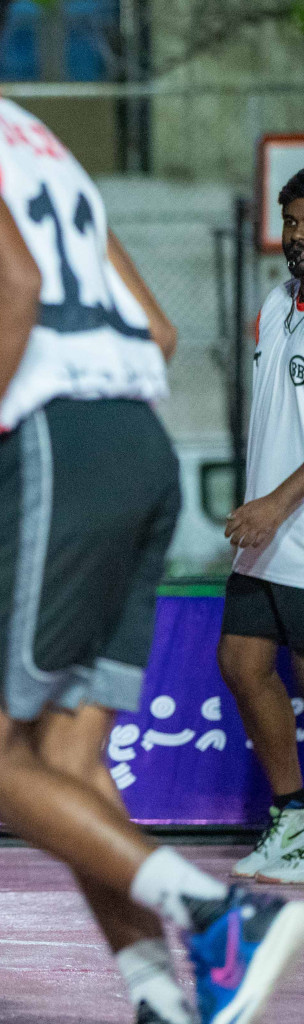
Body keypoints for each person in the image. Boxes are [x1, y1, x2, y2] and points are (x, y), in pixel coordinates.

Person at [0, 4, 303, 1024]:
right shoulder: (39, 140)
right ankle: (159, 990)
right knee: (68, 765)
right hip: (134, 445)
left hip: (59, 443)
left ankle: (213, 909)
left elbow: (16, 283)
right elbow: (152, 325)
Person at [220, 167, 304, 887]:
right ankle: (293, 819)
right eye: (293, 223)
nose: (298, 236)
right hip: (265, 541)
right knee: (242, 663)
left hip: (295, 533)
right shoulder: (276, 303)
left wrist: (277, 503)